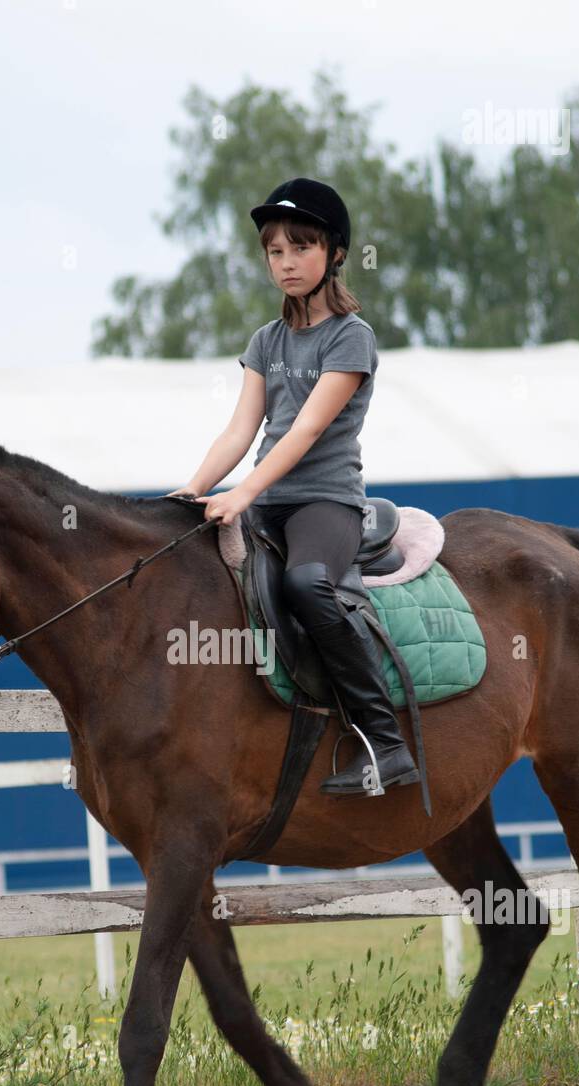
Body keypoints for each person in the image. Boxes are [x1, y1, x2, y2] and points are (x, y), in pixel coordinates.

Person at [169, 177, 418, 795]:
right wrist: (193, 489)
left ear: (334, 252)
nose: (286, 263)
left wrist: (244, 493)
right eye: (275, 251)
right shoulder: (264, 341)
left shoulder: (350, 337)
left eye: (301, 248)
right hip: (261, 498)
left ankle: (385, 743)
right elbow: (239, 431)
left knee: (308, 584)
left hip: (324, 502)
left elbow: (305, 431)